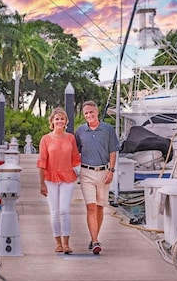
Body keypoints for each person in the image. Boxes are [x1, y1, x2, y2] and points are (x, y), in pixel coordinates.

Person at [75, 101, 120, 255]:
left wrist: (111, 171)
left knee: (100, 206)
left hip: (104, 171)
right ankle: (95, 241)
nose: (89, 115)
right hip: (86, 172)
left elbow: (113, 151)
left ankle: (95, 236)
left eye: (91, 112)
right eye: (86, 113)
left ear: (97, 112)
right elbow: (75, 152)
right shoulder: (80, 131)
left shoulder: (107, 129)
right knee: (91, 206)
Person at [37, 107, 81, 254]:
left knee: (64, 210)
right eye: (57, 119)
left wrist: (81, 173)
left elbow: (75, 157)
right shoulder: (46, 139)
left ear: (66, 121)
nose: (59, 121)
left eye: (62, 118)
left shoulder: (71, 138)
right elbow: (42, 162)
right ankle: (58, 243)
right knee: (54, 211)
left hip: (68, 177)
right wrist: (42, 183)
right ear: (52, 121)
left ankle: (67, 243)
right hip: (50, 178)